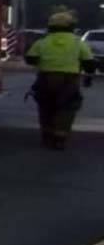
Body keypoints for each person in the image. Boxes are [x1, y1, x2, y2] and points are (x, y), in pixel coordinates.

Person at [25, 12, 95, 150]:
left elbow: (30, 59)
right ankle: (60, 138)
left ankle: (47, 137)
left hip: (45, 78)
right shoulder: (77, 43)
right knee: (67, 108)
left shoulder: (42, 42)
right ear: (71, 26)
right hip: (69, 80)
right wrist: (88, 76)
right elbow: (89, 63)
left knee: (46, 107)